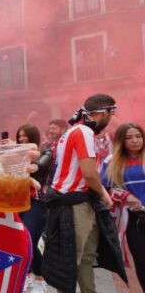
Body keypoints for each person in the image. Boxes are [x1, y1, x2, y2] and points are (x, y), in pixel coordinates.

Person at [42, 94, 127, 293]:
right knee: (72, 259)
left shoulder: (75, 130)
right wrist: (105, 196)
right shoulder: (83, 132)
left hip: (80, 201)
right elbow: (89, 173)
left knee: (86, 257)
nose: (110, 119)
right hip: (74, 203)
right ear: (104, 112)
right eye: (111, 114)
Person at [100, 123, 145, 291]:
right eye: (129, 137)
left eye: (138, 136)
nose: (135, 141)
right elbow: (105, 189)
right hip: (135, 219)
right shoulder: (111, 161)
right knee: (141, 261)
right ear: (121, 141)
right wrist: (126, 195)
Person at [14, 124, 54, 293]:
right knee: (18, 241)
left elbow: (38, 163)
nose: (22, 139)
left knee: (30, 240)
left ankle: (40, 279)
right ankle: (26, 276)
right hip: (16, 202)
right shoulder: (15, 153)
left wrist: (25, 159)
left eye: (26, 136)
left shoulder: (46, 152)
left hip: (36, 202)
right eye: (20, 136)